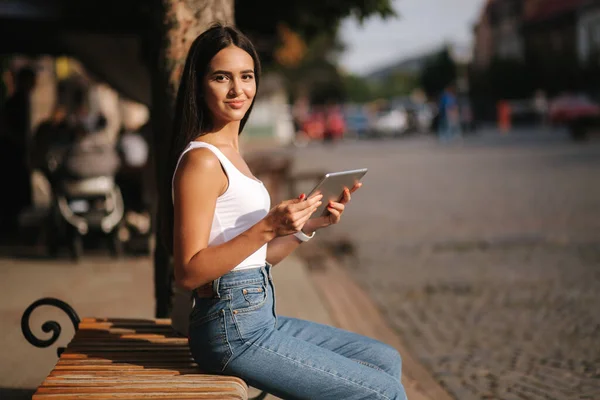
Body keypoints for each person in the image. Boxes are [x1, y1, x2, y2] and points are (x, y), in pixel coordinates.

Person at [162, 24, 407, 399]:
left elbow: (252, 260)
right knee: (382, 392)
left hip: (257, 318)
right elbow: (189, 272)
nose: (237, 89)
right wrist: (266, 226)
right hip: (231, 331)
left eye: (246, 76)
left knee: (383, 360)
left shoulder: (232, 155)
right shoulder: (202, 161)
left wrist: (304, 227)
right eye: (221, 77)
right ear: (199, 84)